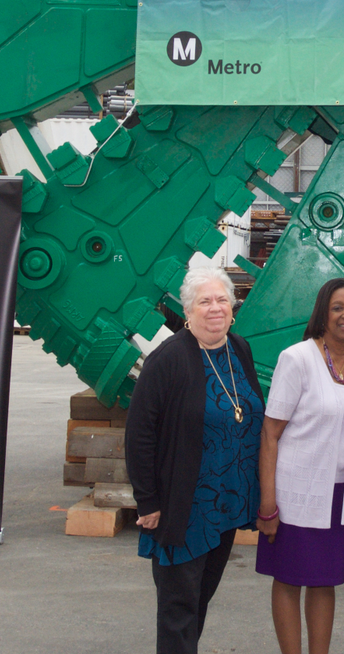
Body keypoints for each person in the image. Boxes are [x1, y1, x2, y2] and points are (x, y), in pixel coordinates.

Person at [127, 268, 266, 654]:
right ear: (188, 311)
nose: (215, 308)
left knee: (199, 600)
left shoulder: (239, 349)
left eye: (222, 300)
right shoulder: (168, 359)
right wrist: (148, 501)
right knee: (179, 608)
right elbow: (139, 435)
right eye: (204, 301)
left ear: (233, 308)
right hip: (184, 506)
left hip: (227, 502)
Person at [259, 278, 344, 653]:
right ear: (322, 313)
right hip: (296, 492)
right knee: (289, 578)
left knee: (325, 580)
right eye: (338, 307)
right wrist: (268, 504)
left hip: (340, 495)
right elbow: (270, 434)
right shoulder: (297, 358)